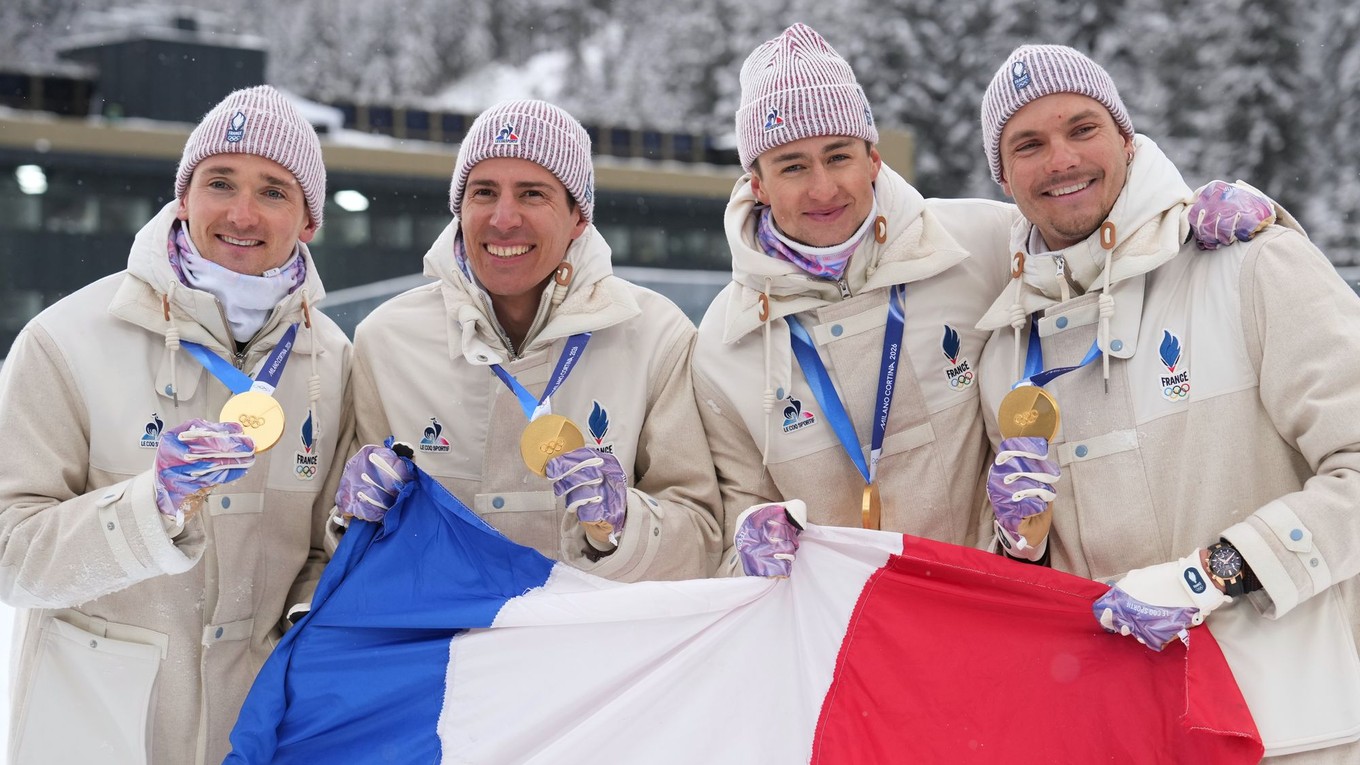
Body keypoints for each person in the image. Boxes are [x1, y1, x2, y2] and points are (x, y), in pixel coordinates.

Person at [974, 44, 1360, 761]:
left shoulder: (1248, 261)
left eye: (1081, 128)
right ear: (1003, 177)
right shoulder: (1004, 350)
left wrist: (1211, 573)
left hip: (1302, 725)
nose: (1060, 159)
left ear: (1125, 137)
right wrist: (1022, 547)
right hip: (1122, 731)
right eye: (1028, 144)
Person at [0, 86, 351, 764]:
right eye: (220, 181)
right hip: (96, 729)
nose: (241, 212)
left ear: (309, 220)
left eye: (274, 190)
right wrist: (145, 510)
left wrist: (318, 606)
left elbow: (319, 555)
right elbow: (9, 554)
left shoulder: (332, 361)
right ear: (183, 196)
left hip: (257, 734)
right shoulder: (64, 340)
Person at [333, 99, 722, 581]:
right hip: (445, 648)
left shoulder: (654, 334)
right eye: (483, 192)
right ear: (459, 209)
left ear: (579, 216)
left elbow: (704, 537)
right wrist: (351, 522)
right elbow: (348, 555)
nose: (503, 218)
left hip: (597, 650)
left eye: (532, 194)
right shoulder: (387, 340)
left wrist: (624, 524)